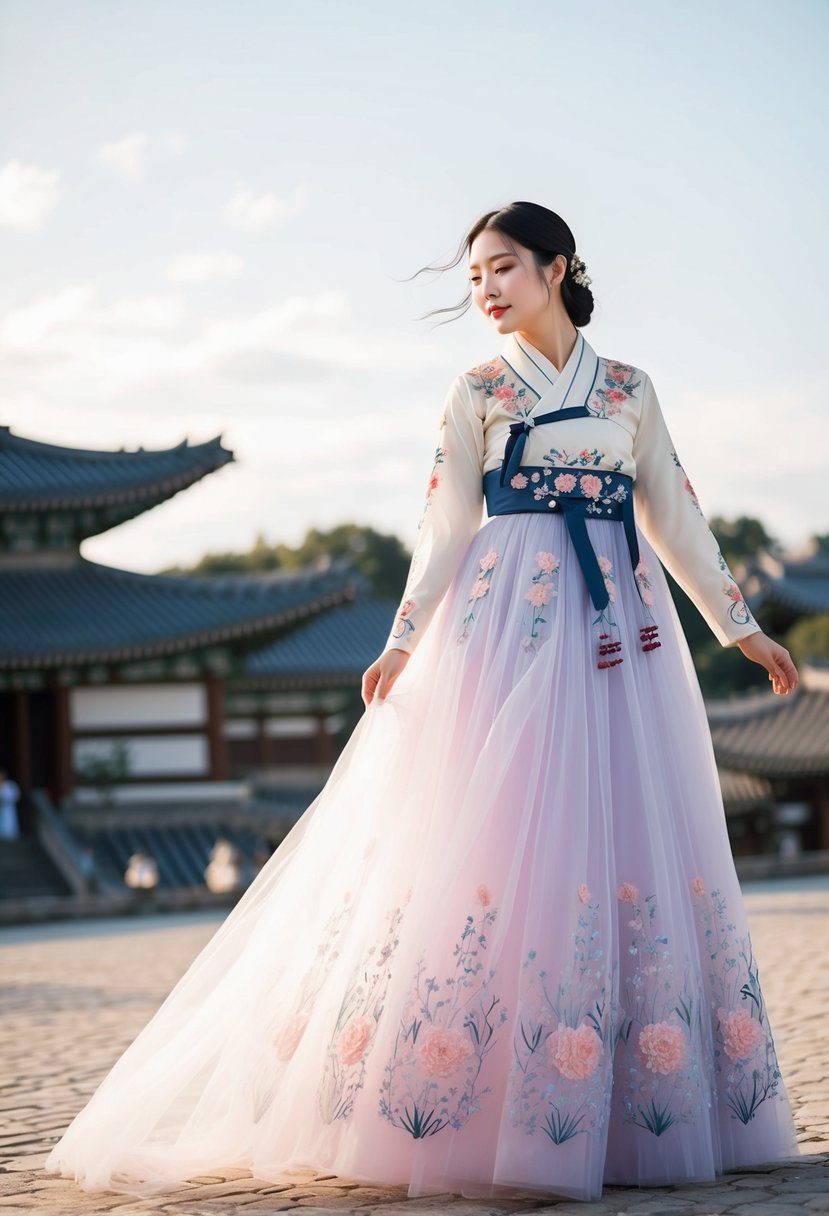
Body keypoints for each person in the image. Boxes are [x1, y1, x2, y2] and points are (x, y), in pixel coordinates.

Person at [44, 201, 801, 1202]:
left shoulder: (628, 390)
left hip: (619, 621)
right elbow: (444, 520)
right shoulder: (478, 388)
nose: (484, 290)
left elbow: (670, 505)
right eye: (474, 276)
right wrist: (404, 640)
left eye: (501, 269)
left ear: (556, 266)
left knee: (624, 827)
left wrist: (736, 624)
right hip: (510, 621)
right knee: (497, 833)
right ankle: (477, 1106)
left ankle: (631, 1103)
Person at [0, 768, 21, 841]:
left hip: (8, 808)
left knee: (9, 822)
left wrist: (6, 799)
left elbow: (17, 796)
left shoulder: (10, 785)